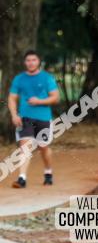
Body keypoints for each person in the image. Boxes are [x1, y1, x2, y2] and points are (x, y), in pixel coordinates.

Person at [7, 50, 59, 188]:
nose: (31, 63)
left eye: (33, 60)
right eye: (28, 60)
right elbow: (12, 98)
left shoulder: (47, 78)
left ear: (38, 62)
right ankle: (22, 178)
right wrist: (14, 114)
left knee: (43, 148)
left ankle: (48, 172)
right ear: (25, 62)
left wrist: (39, 101)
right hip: (25, 118)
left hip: (43, 118)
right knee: (25, 148)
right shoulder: (19, 79)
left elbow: (55, 97)